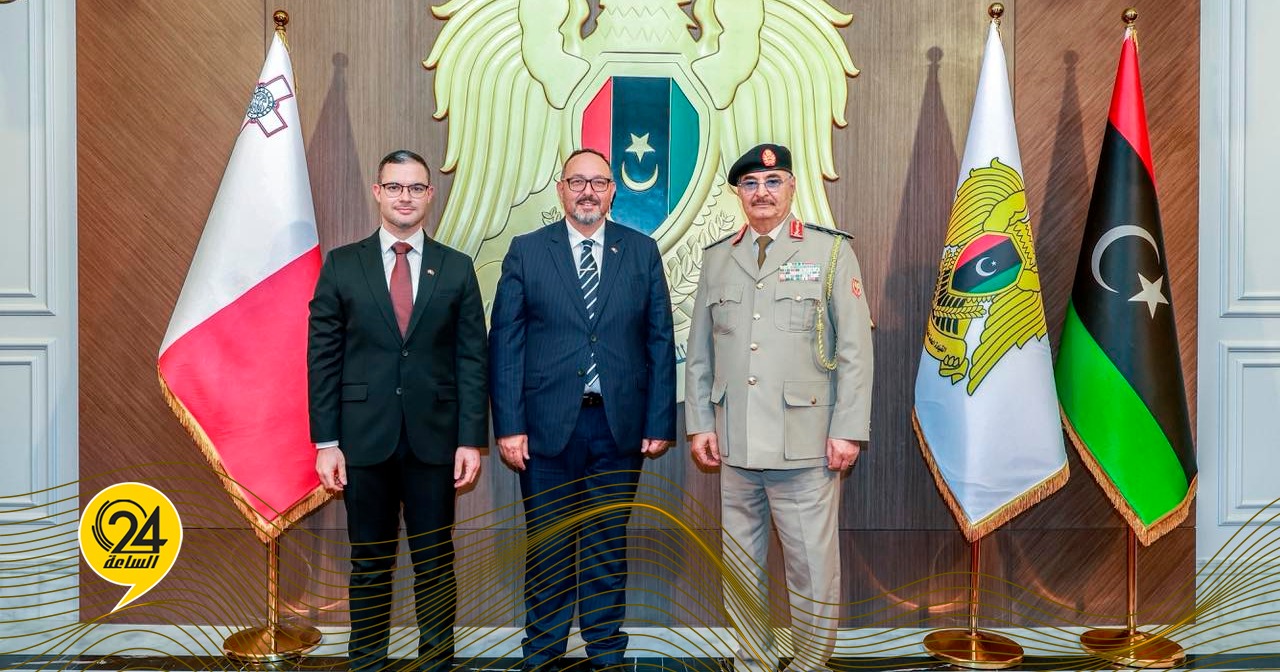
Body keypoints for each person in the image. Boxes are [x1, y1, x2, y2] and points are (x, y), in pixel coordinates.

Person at [684, 143, 874, 672]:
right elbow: (701, 352)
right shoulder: (718, 257)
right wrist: (700, 422)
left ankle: (811, 662)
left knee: (811, 566)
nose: (761, 193)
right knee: (741, 563)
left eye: (772, 182)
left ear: (791, 187)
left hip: (804, 441)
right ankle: (754, 657)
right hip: (736, 439)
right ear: (738, 194)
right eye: (750, 184)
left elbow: (855, 349)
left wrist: (847, 429)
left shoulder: (828, 252)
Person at [489, 148, 677, 672]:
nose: (588, 191)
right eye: (577, 182)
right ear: (561, 190)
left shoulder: (641, 251)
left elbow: (659, 339)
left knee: (607, 544)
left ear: (613, 190)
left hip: (619, 428)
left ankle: (606, 653)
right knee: (548, 548)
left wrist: (659, 420)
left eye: (598, 182)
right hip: (545, 429)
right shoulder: (527, 251)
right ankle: (543, 655)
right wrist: (509, 426)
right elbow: (505, 342)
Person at [308, 149, 488, 672]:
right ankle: (367, 662)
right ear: (377, 192)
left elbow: (472, 358)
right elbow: (323, 358)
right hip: (363, 441)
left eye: (414, 188)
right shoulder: (343, 264)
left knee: (435, 562)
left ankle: (437, 663)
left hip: (436, 442)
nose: (404, 197)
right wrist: (326, 442)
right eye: (394, 187)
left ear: (430, 195)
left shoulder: (456, 267)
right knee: (369, 563)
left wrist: (470, 440)